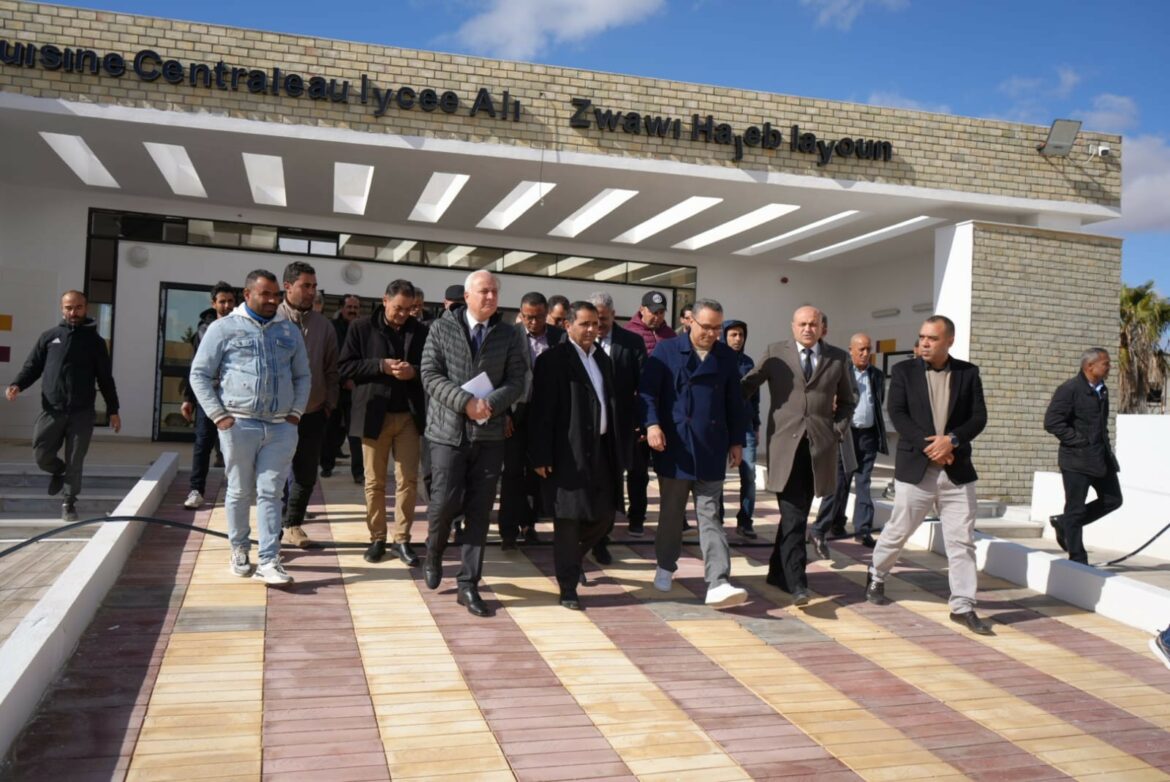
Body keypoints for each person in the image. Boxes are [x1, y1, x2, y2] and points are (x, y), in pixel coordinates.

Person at [865, 315, 993, 635]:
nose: (924, 342)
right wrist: (933, 448)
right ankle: (877, 575)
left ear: (949, 341)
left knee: (962, 541)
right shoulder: (903, 371)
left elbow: (979, 417)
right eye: (922, 336)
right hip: (916, 468)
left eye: (932, 338)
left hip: (957, 470)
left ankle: (963, 605)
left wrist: (952, 441)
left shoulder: (968, 373)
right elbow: (898, 414)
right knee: (899, 529)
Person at [189, 269, 310, 585]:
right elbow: (199, 374)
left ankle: (269, 560)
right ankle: (240, 549)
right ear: (247, 294)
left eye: (276, 295)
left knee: (272, 492)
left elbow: (303, 375)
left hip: (281, 427)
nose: (272, 300)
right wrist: (218, 415)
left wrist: (296, 413)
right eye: (265, 294)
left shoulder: (289, 330)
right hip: (239, 424)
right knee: (240, 491)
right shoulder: (223, 328)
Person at [420, 270, 527, 617]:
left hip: (489, 434)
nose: (491, 297)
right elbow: (429, 374)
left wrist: (489, 405)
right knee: (444, 503)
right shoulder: (441, 328)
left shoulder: (508, 333)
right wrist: (464, 402)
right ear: (467, 296)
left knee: (480, 511)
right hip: (447, 432)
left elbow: (517, 379)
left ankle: (468, 583)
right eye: (484, 291)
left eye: (494, 291)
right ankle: (434, 551)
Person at [640, 298, 749, 609]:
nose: (712, 334)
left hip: (711, 447)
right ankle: (665, 565)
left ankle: (718, 582)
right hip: (675, 447)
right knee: (671, 515)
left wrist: (737, 441)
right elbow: (647, 393)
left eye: (717, 328)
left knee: (710, 515)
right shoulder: (666, 350)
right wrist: (652, 425)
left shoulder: (725, 356)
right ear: (690, 322)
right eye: (706, 327)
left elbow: (734, 402)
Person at [742, 305, 854, 605]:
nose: (807, 329)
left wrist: (837, 430)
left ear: (822, 328)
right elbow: (748, 385)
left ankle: (777, 572)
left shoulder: (838, 358)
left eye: (813, 324)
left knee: (797, 514)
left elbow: (847, 400)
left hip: (818, 449)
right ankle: (797, 581)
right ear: (793, 326)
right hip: (784, 448)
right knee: (793, 515)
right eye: (802, 324)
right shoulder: (775, 352)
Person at [529, 301, 629, 610]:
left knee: (605, 515)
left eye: (595, 324)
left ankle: (571, 559)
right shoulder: (552, 360)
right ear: (568, 325)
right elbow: (541, 411)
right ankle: (568, 587)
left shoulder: (602, 358)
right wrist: (540, 455)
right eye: (584, 324)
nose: (591, 329)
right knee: (569, 521)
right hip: (567, 453)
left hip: (602, 451)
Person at [6, 290, 121, 522]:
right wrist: (17, 384)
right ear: (62, 309)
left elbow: (105, 379)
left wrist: (113, 410)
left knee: (75, 459)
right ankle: (58, 470)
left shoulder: (96, 342)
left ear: (85, 308)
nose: (73, 312)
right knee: (41, 454)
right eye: (69, 308)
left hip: (82, 412)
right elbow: (32, 367)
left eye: (78, 307)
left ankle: (69, 502)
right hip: (52, 409)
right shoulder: (49, 337)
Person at [340, 279, 428, 566]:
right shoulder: (361, 328)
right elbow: (345, 367)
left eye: (409, 309)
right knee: (374, 482)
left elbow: (432, 370)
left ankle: (401, 539)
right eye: (398, 308)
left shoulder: (421, 331)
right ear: (385, 300)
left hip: (408, 416)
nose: (403, 314)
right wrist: (381, 366)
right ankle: (377, 538)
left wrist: (413, 372)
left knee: (408, 480)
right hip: (373, 414)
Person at [277, 262, 338, 549]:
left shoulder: (324, 326)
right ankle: (273, 527)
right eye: (306, 286)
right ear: (288, 286)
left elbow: (332, 369)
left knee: (305, 474)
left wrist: (328, 404)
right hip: (276, 416)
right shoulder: (272, 319)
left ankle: (292, 524)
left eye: (314, 286)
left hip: (313, 413)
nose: (312, 292)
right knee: (274, 474)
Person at [1044, 348, 1123, 564]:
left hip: (1100, 458)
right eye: (1105, 363)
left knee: (1113, 500)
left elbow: (1101, 426)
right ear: (1090, 366)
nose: (1109, 367)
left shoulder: (1102, 390)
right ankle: (1078, 558)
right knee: (1075, 509)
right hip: (1076, 460)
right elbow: (1052, 422)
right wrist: (1079, 441)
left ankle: (1064, 523)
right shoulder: (1069, 389)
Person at [499, 291, 565, 549]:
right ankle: (507, 531)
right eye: (528, 317)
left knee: (537, 473)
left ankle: (529, 525)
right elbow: (497, 376)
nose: (533, 322)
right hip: (516, 411)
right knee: (512, 473)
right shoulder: (508, 335)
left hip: (546, 415)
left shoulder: (559, 337)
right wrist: (504, 413)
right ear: (521, 314)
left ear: (546, 314)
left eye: (538, 317)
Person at [811, 333, 888, 549]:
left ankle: (863, 530)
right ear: (851, 350)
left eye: (868, 349)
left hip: (868, 436)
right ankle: (823, 527)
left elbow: (878, 403)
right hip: (845, 435)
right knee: (839, 483)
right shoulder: (841, 373)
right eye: (861, 349)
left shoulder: (877, 375)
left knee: (864, 483)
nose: (865, 353)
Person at [588, 291, 646, 558]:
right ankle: (583, 534)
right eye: (594, 318)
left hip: (618, 427)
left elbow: (643, 386)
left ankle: (602, 538)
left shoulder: (631, 342)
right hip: (585, 427)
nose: (598, 325)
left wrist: (643, 422)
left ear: (613, 315)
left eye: (603, 318)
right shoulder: (577, 340)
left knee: (611, 483)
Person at [180, 281, 236, 509]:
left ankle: (233, 491)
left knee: (233, 447)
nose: (227, 306)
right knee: (203, 443)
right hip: (209, 396)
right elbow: (195, 367)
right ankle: (196, 490)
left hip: (235, 396)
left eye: (231, 301)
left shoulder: (242, 325)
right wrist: (189, 398)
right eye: (222, 301)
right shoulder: (203, 330)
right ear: (213, 303)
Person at [626, 290, 677, 536]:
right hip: (638, 412)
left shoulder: (670, 336)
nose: (657, 317)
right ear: (642, 309)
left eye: (661, 312)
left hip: (666, 413)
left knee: (669, 469)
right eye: (653, 312)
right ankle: (636, 517)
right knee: (638, 471)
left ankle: (674, 518)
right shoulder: (629, 334)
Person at [719, 319, 760, 539]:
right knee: (717, 477)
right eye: (733, 335)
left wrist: (756, 425)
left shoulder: (749, 362)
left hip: (745, 427)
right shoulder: (715, 359)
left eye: (741, 335)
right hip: (719, 426)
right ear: (724, 336)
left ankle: (745, 521)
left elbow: (755, 398)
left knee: (749, 475)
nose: (737, 339)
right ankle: (716, 521)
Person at [322, 294, 362, 482]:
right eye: (349, 307)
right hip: (336, 388)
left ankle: (358, 472)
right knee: (330, 430)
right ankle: (326, 466)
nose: (352, 310)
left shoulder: (362, 328)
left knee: (355, 433)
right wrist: (344, 379)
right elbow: (332, 357)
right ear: (341, 308)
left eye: (356, 307)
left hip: (356, 389)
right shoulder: (332, 328)